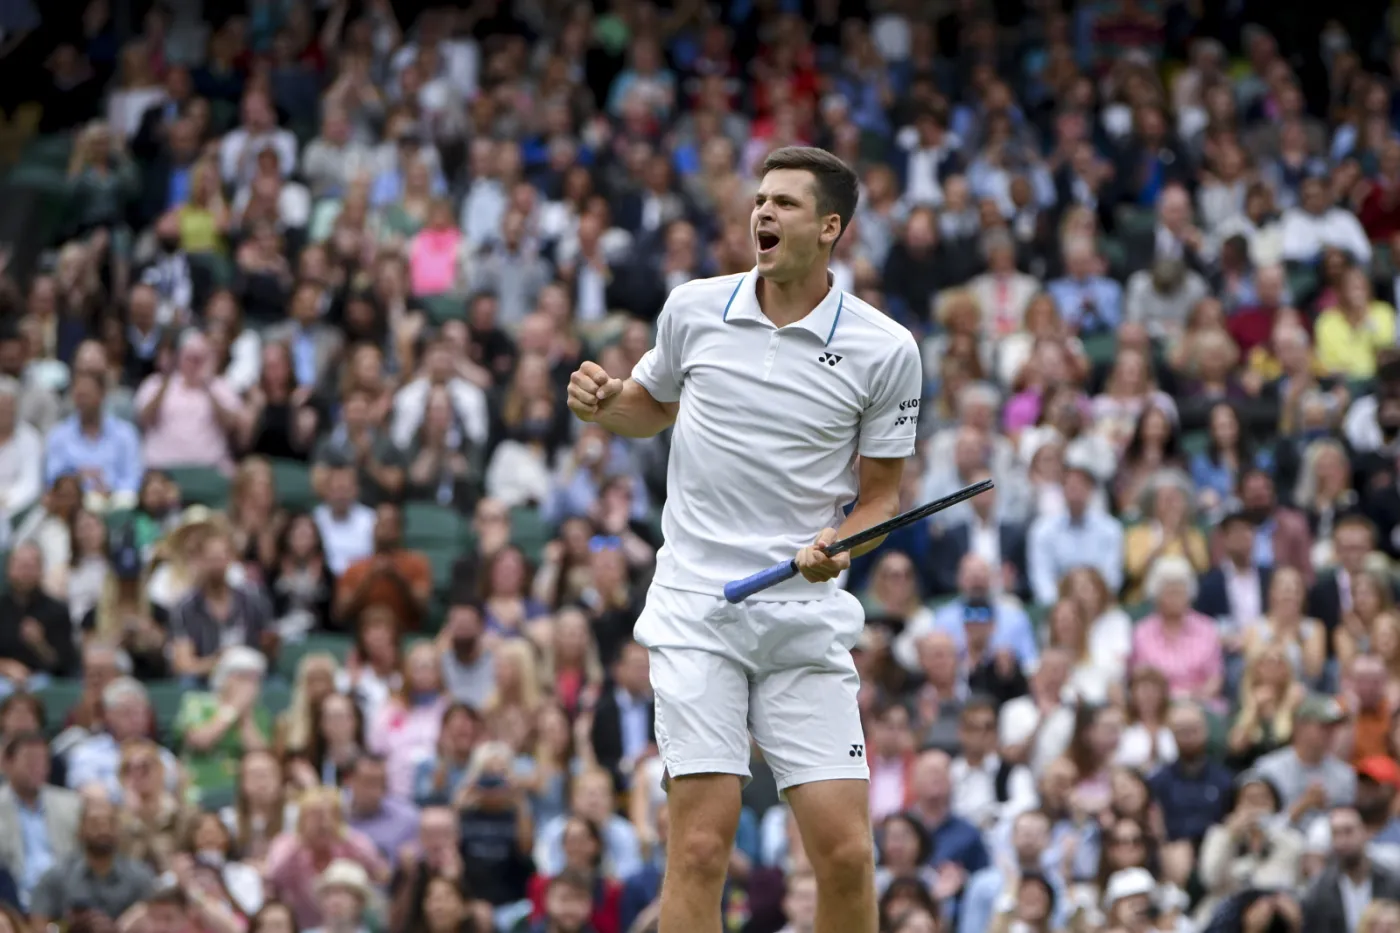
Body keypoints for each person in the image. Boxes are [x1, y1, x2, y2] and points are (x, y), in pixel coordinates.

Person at [565, 147, 922, 933]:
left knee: (847, 855)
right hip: (698, 609)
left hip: (803, 617)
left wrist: (840, 543)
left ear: (830, 227)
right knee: (697, 846)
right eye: (760, 200)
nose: (763, 213)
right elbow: (648, 405)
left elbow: (882, 498)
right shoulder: (693, 308)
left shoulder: (885, 349)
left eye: (786, 204)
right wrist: (603, 403)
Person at [1302, 806, 1400, 933]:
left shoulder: (1392, 882)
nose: (1342, 841)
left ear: (1365, 832)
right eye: (1335, 833)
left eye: (1348, 831)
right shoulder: (1319, 891)